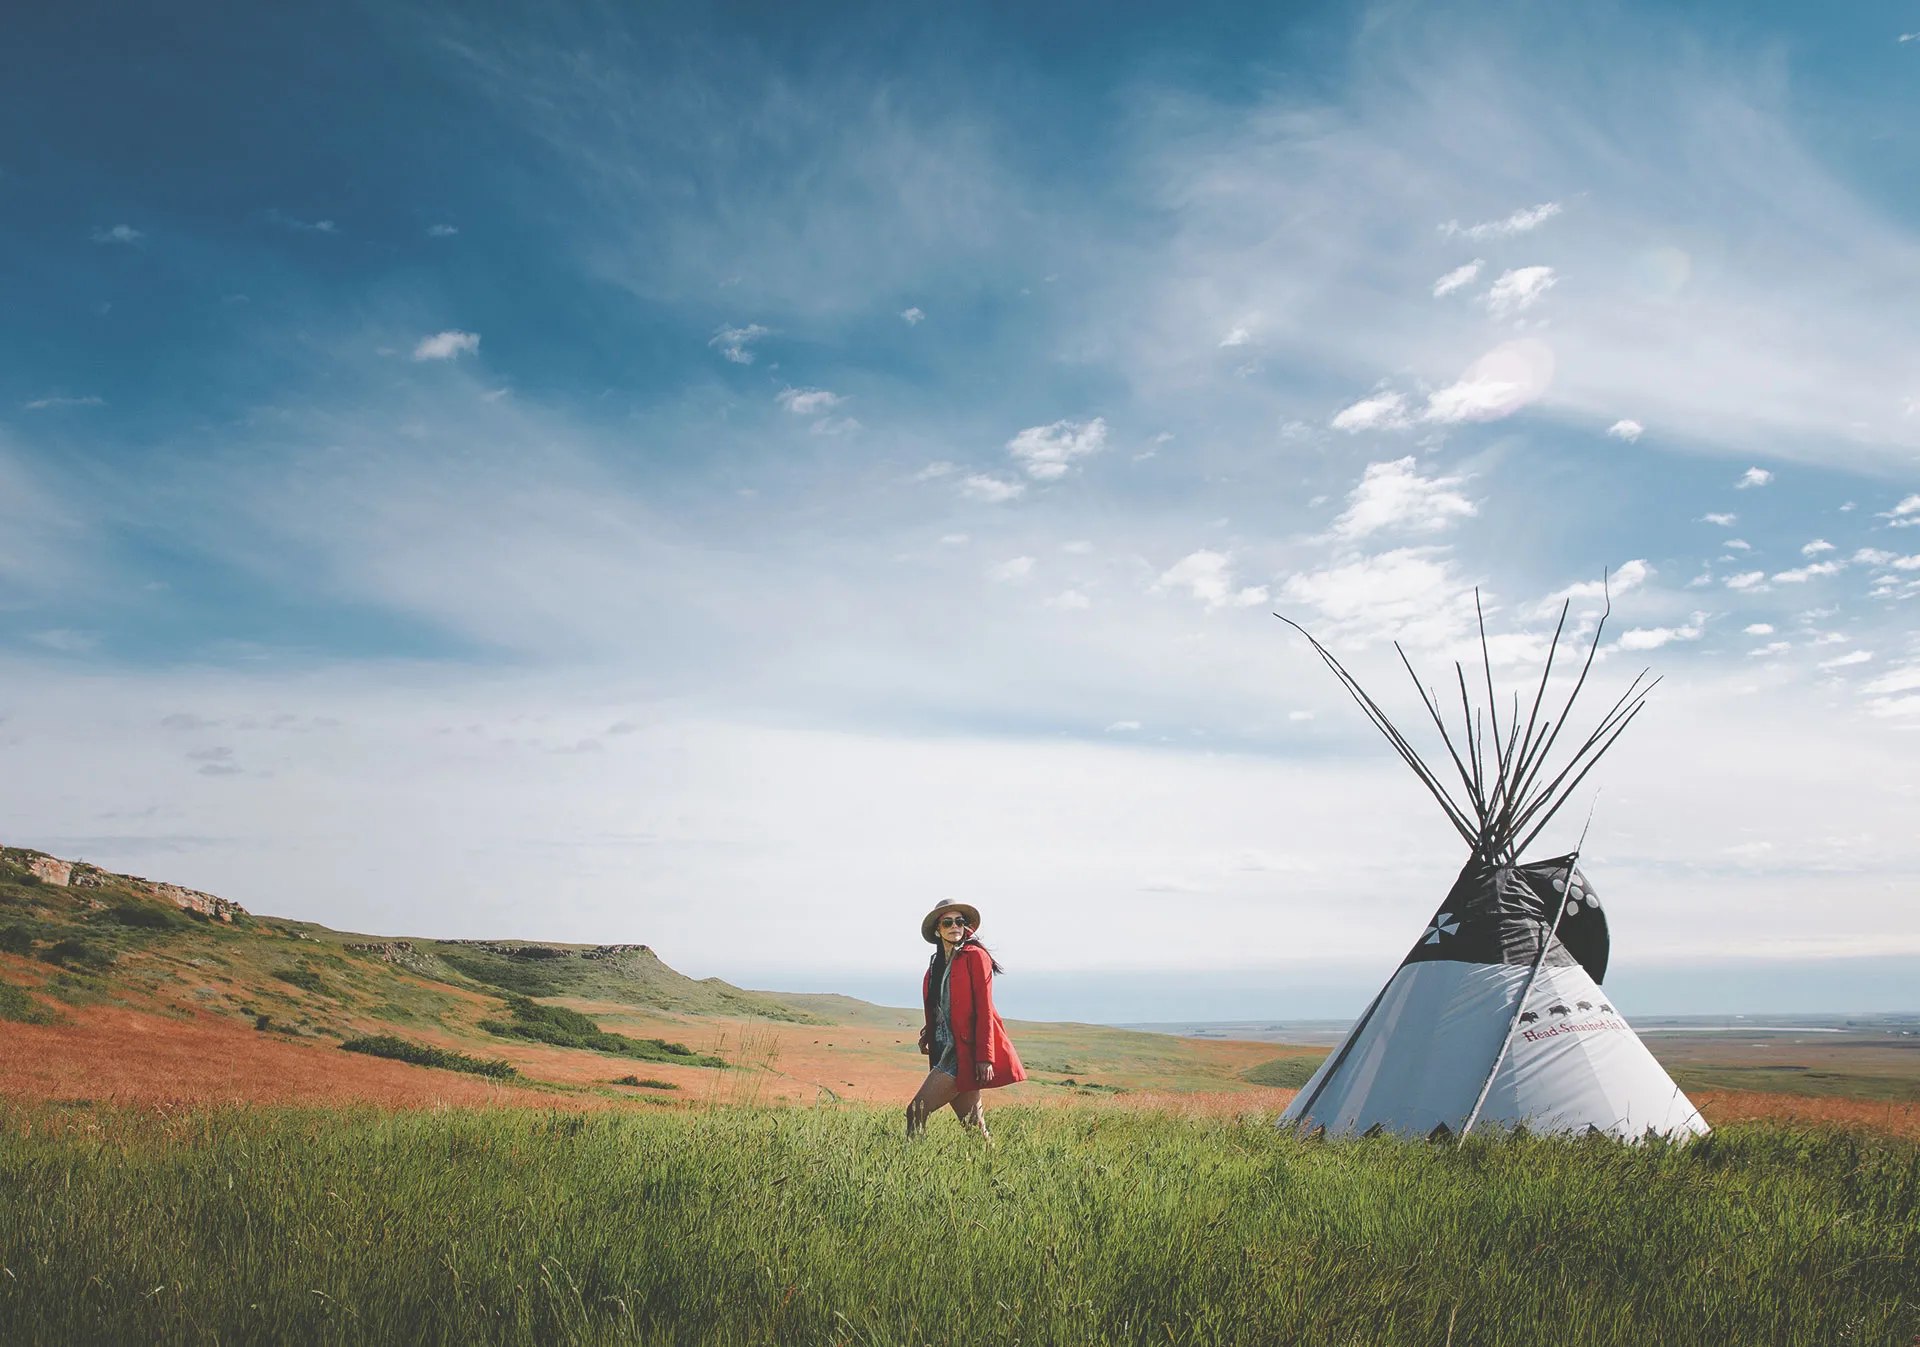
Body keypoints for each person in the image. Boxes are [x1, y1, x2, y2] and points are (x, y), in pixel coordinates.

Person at [907, 901, 1025, 1138]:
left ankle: (911, 1164)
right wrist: (929, 1032)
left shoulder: (975, 957)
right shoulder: (936, 965)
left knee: (915, 1111)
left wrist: (985, 1057)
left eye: (960, 921)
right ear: (937, 930)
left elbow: (984, 1009)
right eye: (947, 922)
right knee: (974, 1130)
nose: (955, 926)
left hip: (964, 1055)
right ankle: (991, 1170)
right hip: (945, 1049)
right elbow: (943, 1008)